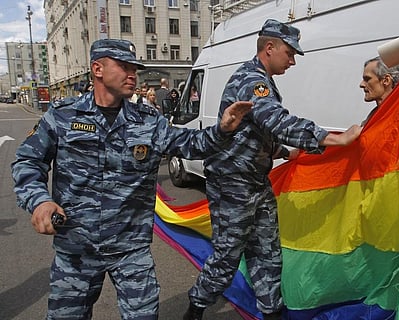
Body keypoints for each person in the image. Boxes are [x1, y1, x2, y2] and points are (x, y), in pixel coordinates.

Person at [11, 38, 252, 320]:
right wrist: (40, 202)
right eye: (124, 66)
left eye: (134, 68)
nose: (132, 74)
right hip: (77, 247)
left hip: (130, 249)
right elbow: (28, 161)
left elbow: (190, 143)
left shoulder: (148, 121)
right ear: (97, 69)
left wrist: (222, 129)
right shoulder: (63, 116)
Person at [184, 19, 362, 320]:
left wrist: (285, 152)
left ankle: (272, 312)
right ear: (270, 48)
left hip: (255, 183)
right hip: (232, 186)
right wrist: (333, 138)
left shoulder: (261, 81)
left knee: (267, 252)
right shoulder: (252, 81)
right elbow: (276, 120)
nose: (292, 60)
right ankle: (195, 309)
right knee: (227, 257)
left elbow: (254, 134)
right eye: (290, 53)